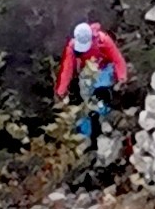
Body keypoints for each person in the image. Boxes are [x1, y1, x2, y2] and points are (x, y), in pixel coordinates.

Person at [54, 19, 129, 147]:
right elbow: (67, 69)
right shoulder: (72, 48)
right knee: (85, 102)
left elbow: (117, 59)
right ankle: (84, 137)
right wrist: (61, 90)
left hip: (104, 69)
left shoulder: (103, 40)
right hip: (87, 73)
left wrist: (122, 77)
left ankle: (104, 115)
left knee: (99, 90)